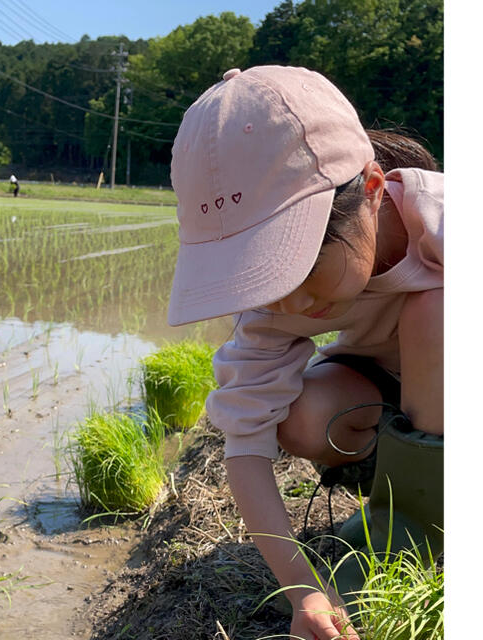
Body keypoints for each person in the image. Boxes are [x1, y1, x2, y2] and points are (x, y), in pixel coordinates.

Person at [167, 66, 443, 640]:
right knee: (303, 417)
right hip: (386, 391)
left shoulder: (445, 222)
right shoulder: (270, 305)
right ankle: (402, 506)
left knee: (433, 313)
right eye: (262, 270)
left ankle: (439, 523)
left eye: (301, 260)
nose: (289, 297)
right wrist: (304, 591)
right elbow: (246, 444)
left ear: (370, 188)